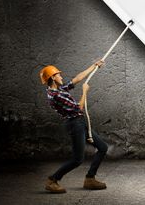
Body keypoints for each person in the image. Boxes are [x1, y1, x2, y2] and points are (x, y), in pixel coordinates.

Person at [39, 60, 108, 193]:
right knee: (77, 160)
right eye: (59, 75)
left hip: (80, 122)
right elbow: (79, 107)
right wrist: (84, 92)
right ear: (53, 78)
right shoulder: (55, 95)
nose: (61, 76)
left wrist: (94, 66)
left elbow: (77, 79)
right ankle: (52, 180)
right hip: (75, 124)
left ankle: (90, 179)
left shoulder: (58, 89)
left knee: (102, 148)